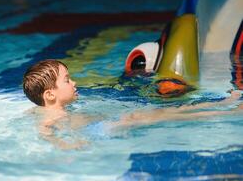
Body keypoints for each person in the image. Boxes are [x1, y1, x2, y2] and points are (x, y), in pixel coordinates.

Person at [23, 59, 242, 149]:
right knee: (155, 115)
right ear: (50, 95)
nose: (74, 82)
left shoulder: (40, 109)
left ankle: (222, 105)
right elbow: (46, 133)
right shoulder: (49, 116)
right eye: (67, 80)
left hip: (100, 125)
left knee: (156, 112)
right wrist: (67, 145)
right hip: (98, 131)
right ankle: (225, 111)